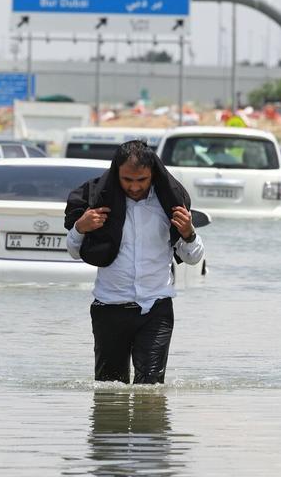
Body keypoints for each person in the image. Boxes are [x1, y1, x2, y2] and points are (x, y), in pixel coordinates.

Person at [64, 139, 204, 384]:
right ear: (116, 172)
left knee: (150, 390)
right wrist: (80, 227)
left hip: (156, 308)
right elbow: (75, 252)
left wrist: (189, 233)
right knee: (109, 390)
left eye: (142, 180)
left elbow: (193, 258)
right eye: (127, 180)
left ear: (153, 175)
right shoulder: (99, 204)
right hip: (109, 308)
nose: (135, 187)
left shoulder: (168, 205)